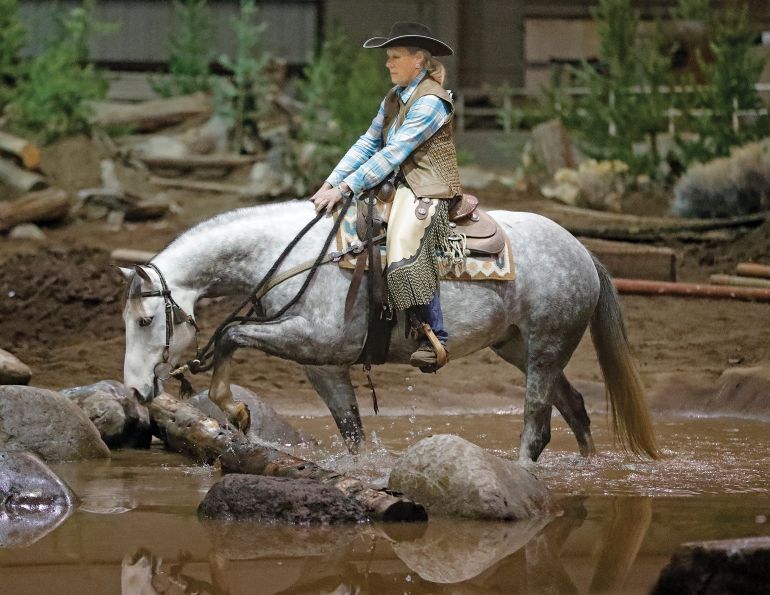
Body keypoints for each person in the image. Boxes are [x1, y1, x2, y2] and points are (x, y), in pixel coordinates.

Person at [312, 21, 462, 370]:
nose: (388, 63)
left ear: (419, 61)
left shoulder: (432, 103)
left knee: (402, 240)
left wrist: (347, 187)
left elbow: (393, 152)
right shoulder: (394, 98)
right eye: (389, 57)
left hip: (428, 186)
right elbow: (368, 143)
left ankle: (435, 335)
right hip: (397, 184)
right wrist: (329, 183)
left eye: (395, 57)